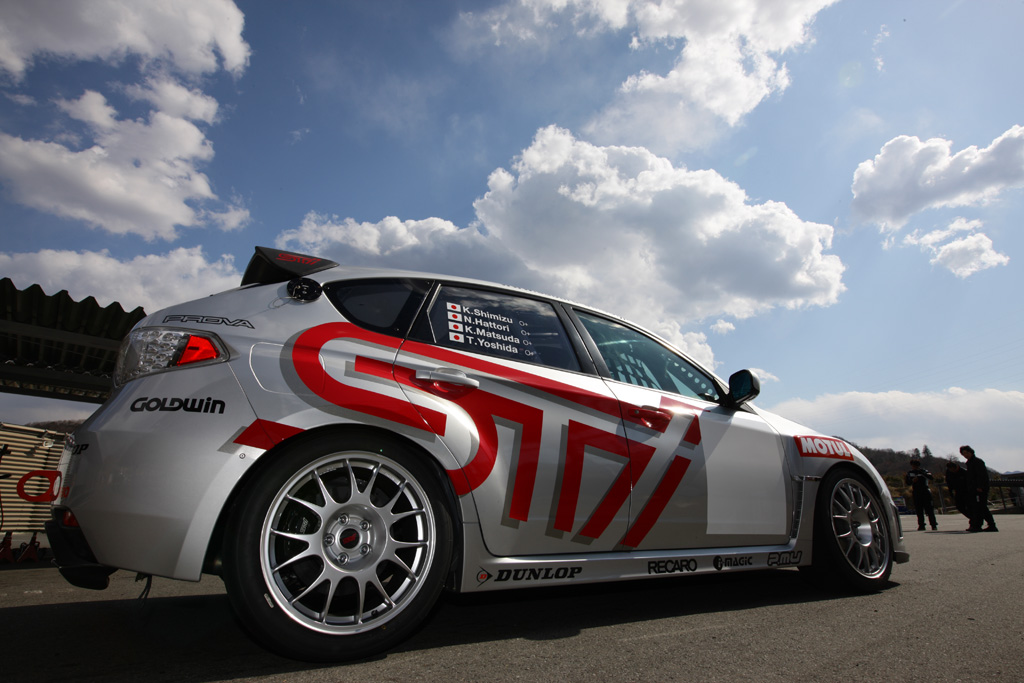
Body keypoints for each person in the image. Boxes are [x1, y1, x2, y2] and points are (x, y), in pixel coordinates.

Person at [960, 445, 998, 532]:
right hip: (973, 489)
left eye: (966, 453)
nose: (965, 455)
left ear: (971, 452)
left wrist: (980, 486)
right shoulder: (969, 462)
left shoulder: (977, 461)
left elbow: (982, 476)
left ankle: (989, 525)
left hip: (980, 489)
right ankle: (980, 525)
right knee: (978, 507)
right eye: (963, 454)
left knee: (981, 507)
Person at [905, 458, 937, 530]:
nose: (914, 467)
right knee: (919, 510)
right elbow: (907, 482)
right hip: (916, 492)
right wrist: (912, 480)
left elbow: (931, 477)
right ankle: (921, 525)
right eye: (913, 465)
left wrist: (922, 473)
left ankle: (933, 524)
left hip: (925, 491)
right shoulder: (910, 473)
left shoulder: (924, 471)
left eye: (916, 465)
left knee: (929, 509)